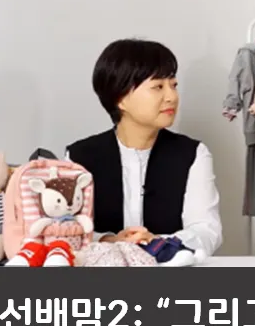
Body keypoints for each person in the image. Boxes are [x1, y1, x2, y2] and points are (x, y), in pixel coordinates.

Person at [65, 39, 222, 257]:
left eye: (173, 85)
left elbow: (207, 231)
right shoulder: (78, 157)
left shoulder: (193, 154)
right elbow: (66, 230)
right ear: (121, 98)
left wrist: (157, 242)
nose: (172, 97)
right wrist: (109, 241)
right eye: (158, 87)